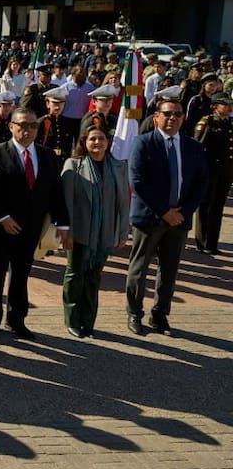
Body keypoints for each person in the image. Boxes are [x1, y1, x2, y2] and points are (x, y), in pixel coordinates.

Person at [0, 108, 69, 341]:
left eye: (32, 126)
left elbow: (55, 192)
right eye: (22, 125)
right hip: (0, 228)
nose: (27, 130)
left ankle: (16, 320)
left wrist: (63, 223)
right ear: (11, 126)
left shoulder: (47, 155)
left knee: (21, 275)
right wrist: (2, 217)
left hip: (30, 229)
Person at [125, 97, 209, 336]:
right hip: (149, 218)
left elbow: (202, 182)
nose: (173, 118)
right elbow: (138, 182)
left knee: (169, 270)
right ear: (156, 117)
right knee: (139, 269)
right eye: (168, 113)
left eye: (178, 114)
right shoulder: (143, 143)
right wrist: (164, 211)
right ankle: (134, 314)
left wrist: (184, 211)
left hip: (179, 220)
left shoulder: (193, 146)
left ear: (184, 118)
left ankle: (160, 316)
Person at [60, 125, 130, 338]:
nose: (97, 143)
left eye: (101, 139)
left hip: (105, 232)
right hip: (79, 233)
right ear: (84, 142)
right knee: (75, 276)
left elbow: (123, 204)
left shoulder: (117, 167)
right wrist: (66, 232)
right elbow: (66, 203)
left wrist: (122, 232)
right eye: (92, 139)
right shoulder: (73, 165)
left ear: (108, 143)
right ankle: (72, 320)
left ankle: (88, 322)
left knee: (93, 278)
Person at [194, 93, 233, 254]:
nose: (229, 108)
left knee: (218, 206)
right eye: (225, 105)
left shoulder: (230, 123)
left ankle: (212, 243)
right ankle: (202, 242)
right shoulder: (207, 122)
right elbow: (198, 148)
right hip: (210, 171)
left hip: (226, 171)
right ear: (215, 106)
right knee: (206, 205)